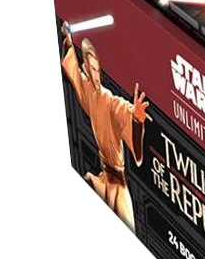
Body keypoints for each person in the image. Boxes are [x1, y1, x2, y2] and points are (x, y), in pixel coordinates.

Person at [60, 22, 148, 230]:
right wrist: (67, 41)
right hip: (103, 176)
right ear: (87, 69)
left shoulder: (109, 100)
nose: (97, 75)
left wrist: (136, 119)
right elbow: (74, 72)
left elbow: (124, 110)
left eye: (98, 69)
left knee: (128, 225)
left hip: (119, 183)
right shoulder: (89, 91)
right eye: (92, 69)